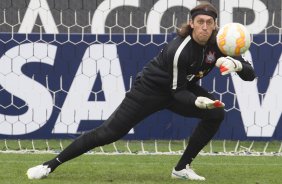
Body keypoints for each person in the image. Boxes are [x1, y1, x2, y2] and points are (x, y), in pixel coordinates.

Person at [27, 2, 256, 181]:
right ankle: (50, 164)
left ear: (215, 25)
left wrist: (236, 65)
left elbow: (251, 74)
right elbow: (176, 92)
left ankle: (181, 168)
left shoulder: (221, 42)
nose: (205, 26)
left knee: (216, 114)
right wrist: (197, 103)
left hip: (183, 87)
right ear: (192, 23)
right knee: (109, 133)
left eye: (209, 22)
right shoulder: (180, 49)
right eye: (200, 22)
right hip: (151, 89)